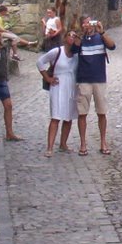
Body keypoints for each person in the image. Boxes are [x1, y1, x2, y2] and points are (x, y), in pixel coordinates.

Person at [74, 15, 115, 156]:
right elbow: (74, 49)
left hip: (99, 79)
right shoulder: (80, 38)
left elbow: (112, 46)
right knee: (82, 113)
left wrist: (102, 32)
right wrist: (82, 34)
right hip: (84, 79)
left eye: (90, 22)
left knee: (102, 112)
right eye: (85, 23)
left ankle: (103, 142)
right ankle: (83, 144)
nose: (88, 25)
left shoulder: (100, 37)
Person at [37, 28, 78, 157]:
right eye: (70, 35)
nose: (72, 37)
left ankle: (63, 144)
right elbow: (40, 62)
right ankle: (49, 147)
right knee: (56, 116)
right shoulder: (57, 51)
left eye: (74, 36)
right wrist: (47, 78)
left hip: (71, 86)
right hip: (58, 85)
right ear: (65, 38)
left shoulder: (77, 54)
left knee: (68, 117)